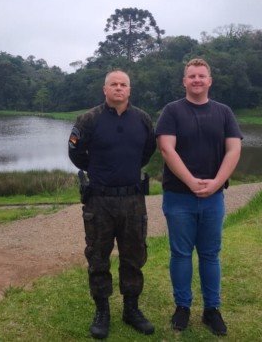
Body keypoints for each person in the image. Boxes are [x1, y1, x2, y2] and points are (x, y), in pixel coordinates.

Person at [155, 58, 243, 336]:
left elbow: (234, 150)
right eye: (191, 76)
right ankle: (182, 307)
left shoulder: (224, 112)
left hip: (213, 198)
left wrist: (217, 182)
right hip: (178, 196)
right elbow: (167, 149)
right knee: (181, 254)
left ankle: (211, 310)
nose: (196, 80)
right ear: (184, 81)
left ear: (209, 80)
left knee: (210, 254)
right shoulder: (172, 111)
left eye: (201, 76)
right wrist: (191, 181)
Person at [68, 70, 157, 339]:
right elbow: (75, 153)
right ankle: (102, 311)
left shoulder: (142, 119)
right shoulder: (88, 120)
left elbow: (147, 151)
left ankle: (131, 309)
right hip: (99, 200)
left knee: (134, 256)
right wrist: (99, 170)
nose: (119, 88)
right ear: (105, 89)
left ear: (129, 90)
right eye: (113, 84)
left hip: (132, 200)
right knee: (98, 257)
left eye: (123, 84)